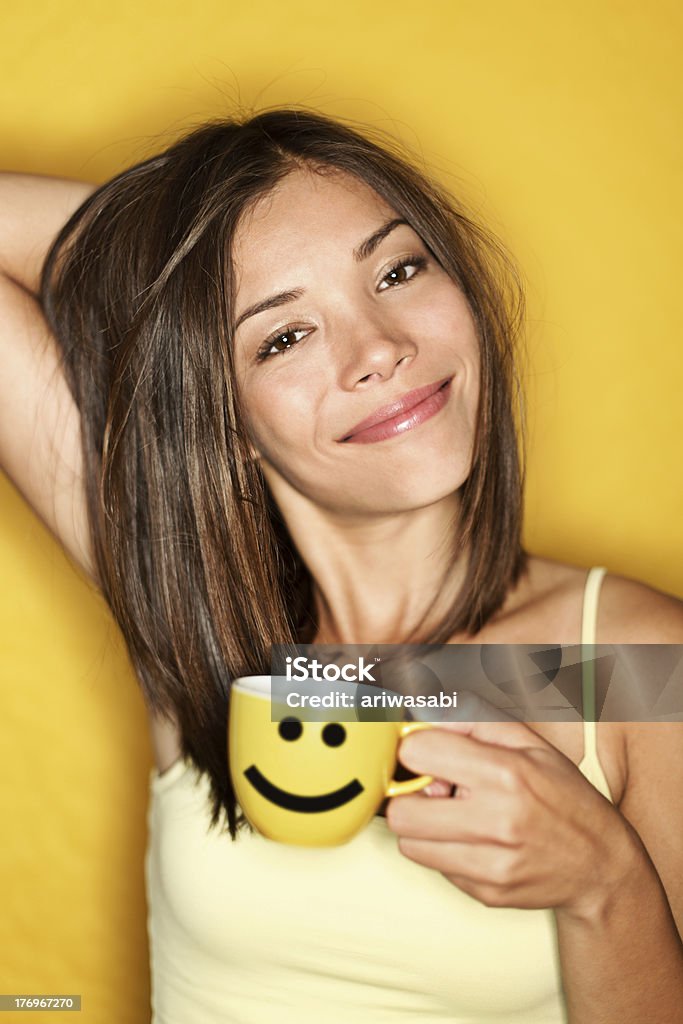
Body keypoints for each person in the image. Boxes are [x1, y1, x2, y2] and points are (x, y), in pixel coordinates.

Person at [1, 107, 682, 1024]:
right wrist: (185, 257)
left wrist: (606, 887)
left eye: (397, 270)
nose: (380, 351)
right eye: (283, 337)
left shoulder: (637, 667)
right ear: (219, 414)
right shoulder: (203, 627)